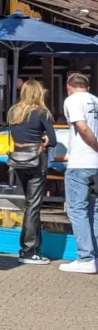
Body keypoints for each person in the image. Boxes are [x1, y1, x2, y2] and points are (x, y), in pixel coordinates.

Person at [7, 80, 57, 265]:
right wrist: (44, 139)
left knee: (28, 205)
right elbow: (52, 140)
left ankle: (34, 248)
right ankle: (28, 250)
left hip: (18, 159)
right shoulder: (42, 113)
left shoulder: (14, 112)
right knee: (33, 206)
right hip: (35, 160)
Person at [60, 73, 98, 274]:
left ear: (68, 87)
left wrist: (96, 145)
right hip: (96, 165)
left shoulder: (72, 100)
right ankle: (95, 256)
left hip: (81, 161)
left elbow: (81, 127)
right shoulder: (96, 101)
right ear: (88, 86)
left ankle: (86, 257)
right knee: (95, 210)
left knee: (77, 210)